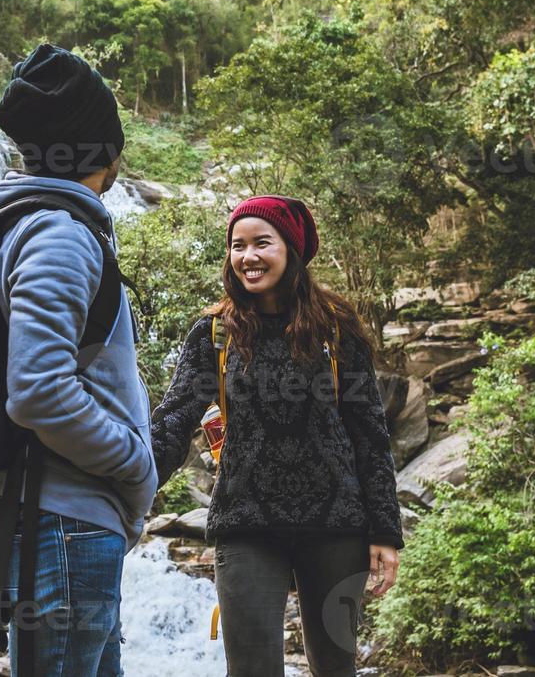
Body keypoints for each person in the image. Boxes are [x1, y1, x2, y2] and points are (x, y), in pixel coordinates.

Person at [150, 195, 403, 677]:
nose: (248, 256)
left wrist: (385, 532)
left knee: (335, 667)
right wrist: (126, 488)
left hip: (336, 525)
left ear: (290, 249)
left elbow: (369, 432)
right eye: (237, 245)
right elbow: (174, 420)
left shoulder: (335, 329)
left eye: (261, 242)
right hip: (246, 523)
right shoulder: (214, 333)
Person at [0, 43, 158, 676]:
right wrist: (137, 465)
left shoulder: (37, 223)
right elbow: (38, 391)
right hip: (64, 523)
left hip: (62, 520)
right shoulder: (60, 234)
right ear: (102, 151)